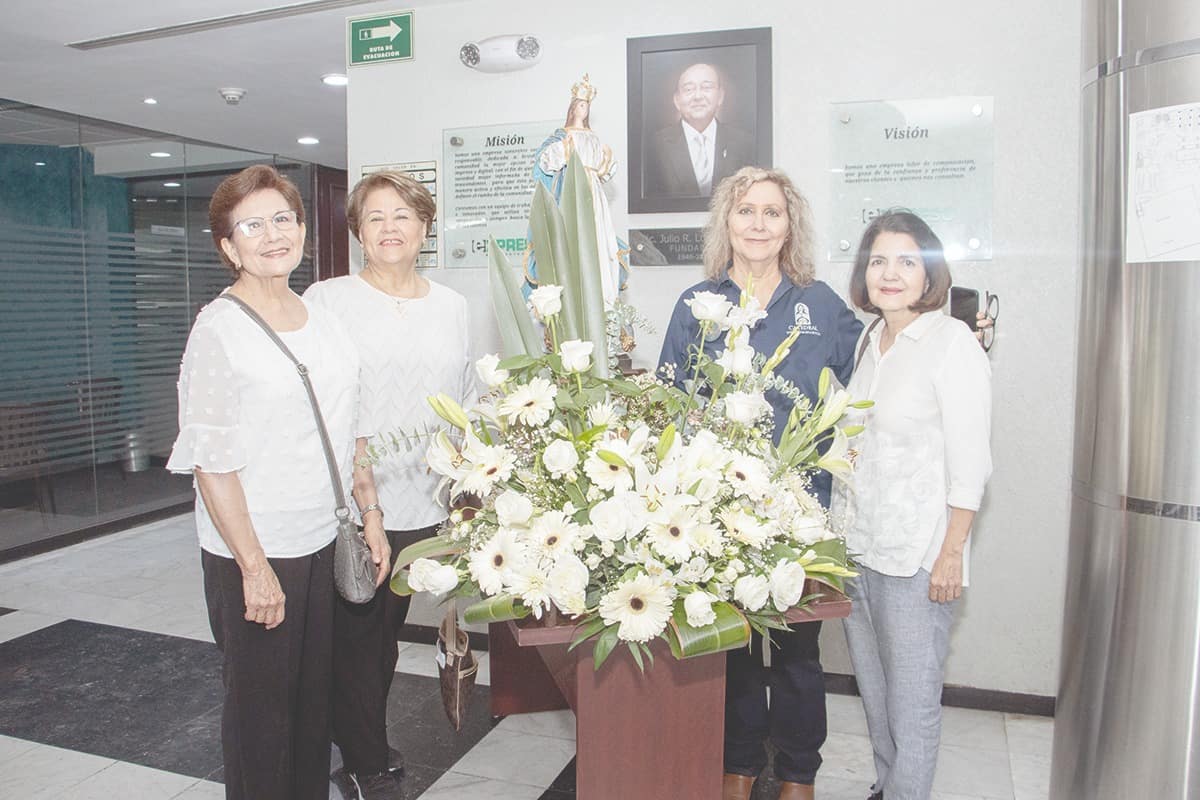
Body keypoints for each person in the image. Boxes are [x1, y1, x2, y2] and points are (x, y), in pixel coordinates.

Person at [166, 165, 389, 800]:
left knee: (313, 709)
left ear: (302, 232)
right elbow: (212, 461)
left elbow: (355, 430)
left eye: (284, 220)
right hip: (257, 552)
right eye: (253, 225)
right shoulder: (218, 329)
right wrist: (254, 567)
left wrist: (370, 515)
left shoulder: (322, 317)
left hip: (324, 539)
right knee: (262, 720)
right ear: (228, 246)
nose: (273, 235)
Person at [658, 166, 862, 800]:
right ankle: (740, 762)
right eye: (745, 211)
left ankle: (799, 770)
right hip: (722, 506)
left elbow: (874, 376)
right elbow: (670, 398)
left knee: (800, 647)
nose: (758, 223)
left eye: (772, 212)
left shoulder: (820, 304)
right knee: (738, 645)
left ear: (789, 225)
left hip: (804, 507)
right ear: (727, 222)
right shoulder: (698, 304)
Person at [303, 170, 474, 800]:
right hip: (355, 499)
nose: (390, 228)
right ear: (357, 232)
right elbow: (326, 405)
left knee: (386, 633)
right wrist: (362, 494)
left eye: (403, 215)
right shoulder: (329, 299)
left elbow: (463, 401)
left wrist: (466, 487)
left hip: (423, 498)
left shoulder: (452, 305)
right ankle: (365, 758)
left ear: (425, 226)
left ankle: (358, 739)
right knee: (358, 636)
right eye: (375, 217)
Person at [834, 210, 992, 800]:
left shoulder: (952, 343)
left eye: (907, 261)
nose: (890, 273)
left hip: (917, 558)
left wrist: (952, 553)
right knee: (876, 695)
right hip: (859, 547)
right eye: (878, 261)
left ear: (929, 274)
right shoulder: (871, 340)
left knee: (913, 702)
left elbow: (972, 463)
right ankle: (886, 786)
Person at [527, 74, 628, 305]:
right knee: (570, 236)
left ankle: (602, 292)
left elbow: (606, 167)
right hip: (571, 191)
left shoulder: (593, 137)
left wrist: (603, 161)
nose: (583, 110)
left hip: (593, 192)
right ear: (573, 108)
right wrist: (564, 151)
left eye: (586, 106)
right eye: (580, 105)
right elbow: (546, 160)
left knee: (599, 236)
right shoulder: (563, 136)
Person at [646, 62, 756, 198]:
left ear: (720, 96)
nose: (698, 96)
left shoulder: (744, 143)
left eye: (706, 87)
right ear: (677, 100)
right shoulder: (656, 146)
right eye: (689, 89)